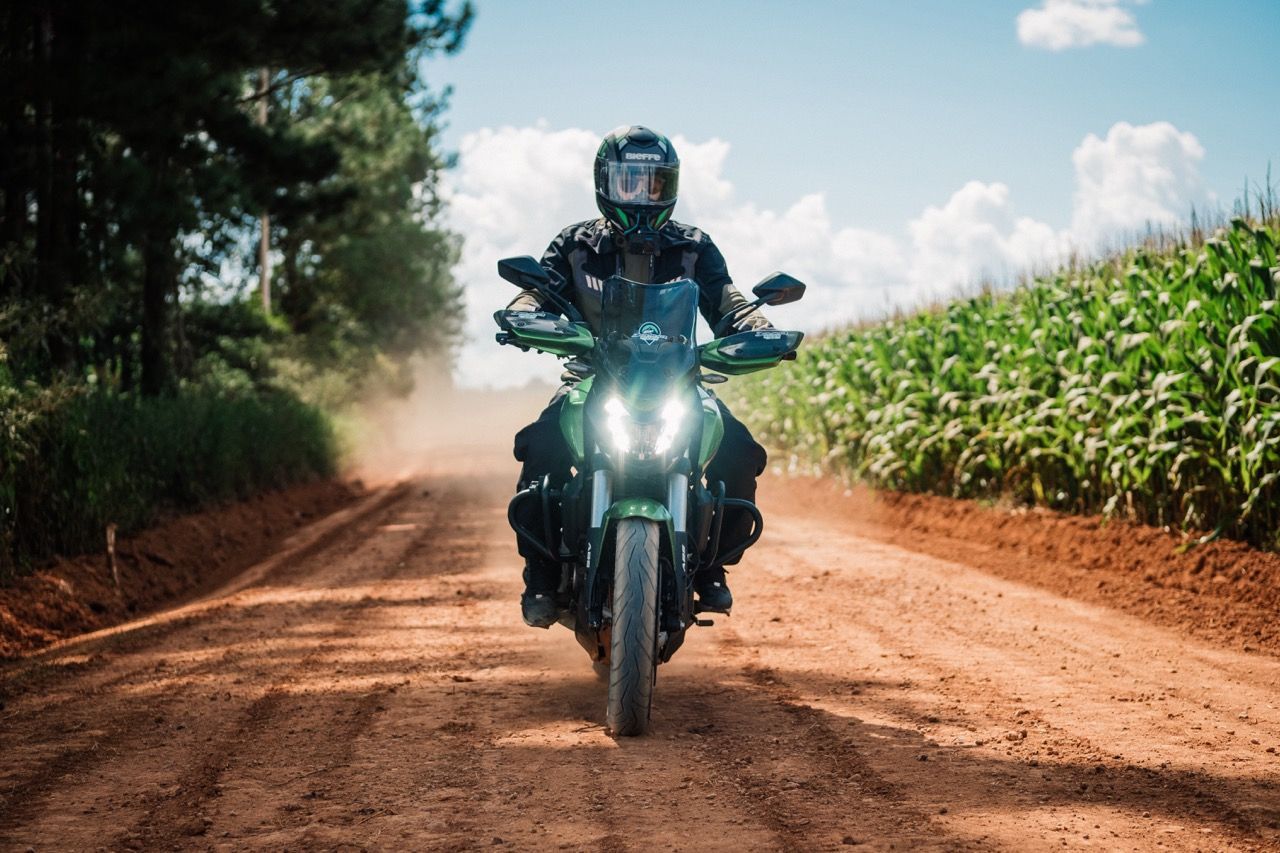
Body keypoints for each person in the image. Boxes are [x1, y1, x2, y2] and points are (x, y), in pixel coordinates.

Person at [508, 125, 772, 629]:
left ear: (670, 187)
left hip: (677, 383)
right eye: (630, 182)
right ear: (605, 183)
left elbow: (729, 302)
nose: (642, 195)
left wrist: (758, 328)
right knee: (540, 446)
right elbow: (538, 293)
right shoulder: (575, 244)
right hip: (593, 379)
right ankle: (540, 575)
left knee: (738, 449)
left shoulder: (694, 247)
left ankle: (712, 569)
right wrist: (522, 311)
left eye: (653, 184)